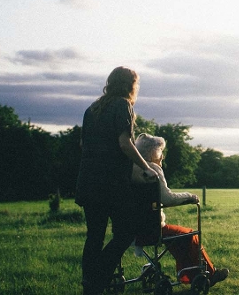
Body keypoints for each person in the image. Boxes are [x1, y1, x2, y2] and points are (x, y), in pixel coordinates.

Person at [76, 66, 158, 295]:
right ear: (130, 85)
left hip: (88, 181)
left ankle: (89, 284)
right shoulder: (123, 105)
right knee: (125, 233)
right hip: (110, 184)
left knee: (94, 236)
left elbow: (84, 145)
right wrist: (146, 167)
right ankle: (97, 279)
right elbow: (124, 143)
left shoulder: (92, 109)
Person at [132, 133, 229, 286]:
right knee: (190, 235)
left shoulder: (131, 169)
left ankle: (188, 276)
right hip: (152, 229)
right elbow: (168, 199)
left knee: (178, 237)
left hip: (132, 228)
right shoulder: (153, 170)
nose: (162, 156)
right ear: (152, 153)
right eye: (160, 152)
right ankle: (210, 273)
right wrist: (189, 196)